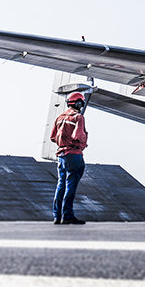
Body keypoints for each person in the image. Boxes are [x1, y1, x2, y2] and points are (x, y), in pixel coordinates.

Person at [50, 92, 88, 225]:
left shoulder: (59, 118)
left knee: (60, 185)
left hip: (61, 156)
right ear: (79, 104)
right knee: (70, 186)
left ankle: (56, 216)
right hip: (74, 155)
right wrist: (84, 141)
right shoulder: (79, 117)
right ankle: (68, 215)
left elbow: (53, 137)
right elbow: (78, 136)